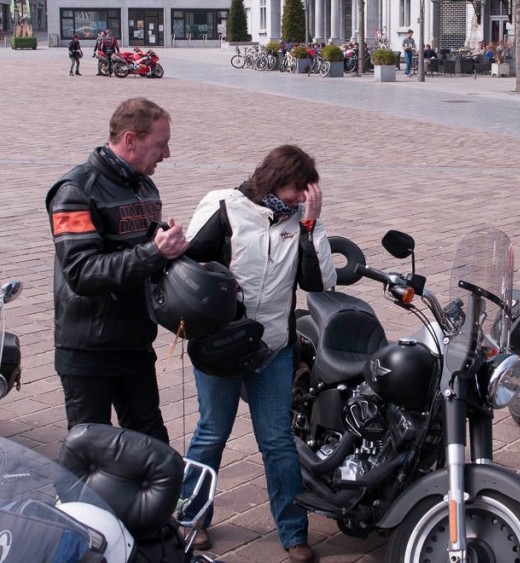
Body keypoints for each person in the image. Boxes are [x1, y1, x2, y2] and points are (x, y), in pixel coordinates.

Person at [183, 145, 336, 563]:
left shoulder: (300, 221)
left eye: (306, 191)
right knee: (212, 432)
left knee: (278, 441)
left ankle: (293, 532)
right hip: (221, 345)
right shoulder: (224, 207)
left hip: (273, 347)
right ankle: (191, 518)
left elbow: (320, 283)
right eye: (296, 189)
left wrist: (311, 226)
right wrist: (216, 286)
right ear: (274, 180)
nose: (300, 198)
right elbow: (187, 265)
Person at [45, 97, 188, 442]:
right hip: (88, 347)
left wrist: (172, 251)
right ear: (130, 140)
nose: (167, 154)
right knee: (90, 447)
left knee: (151, 443)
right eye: (161, 144)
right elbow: (82, 272)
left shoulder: (144, 184)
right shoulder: (74, 192)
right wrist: (155, 251)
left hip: (134, 340)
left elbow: (141, 249)